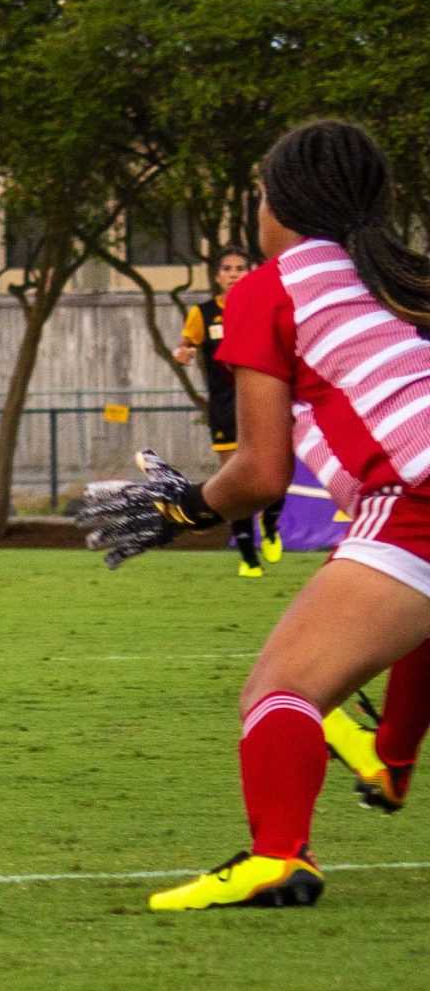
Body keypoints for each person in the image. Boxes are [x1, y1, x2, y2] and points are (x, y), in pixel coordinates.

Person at [76, 120, 430, 911]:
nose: (257, 212)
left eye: (261, 195)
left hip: (415, 503)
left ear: (284, 205)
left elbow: (262, 472)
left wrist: (181, 507)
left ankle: (278, 855)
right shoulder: (401, 278)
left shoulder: (268, 290)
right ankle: (390, 756)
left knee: (281, 688)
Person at [175, 247, 282, 576]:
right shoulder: (203, 313)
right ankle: (249, 558)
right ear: (218, 275)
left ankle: (271, 522)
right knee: (236, 482)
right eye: (227, 268)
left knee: (277, 475)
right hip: (225, 410)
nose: (234, 273)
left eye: (240, 268)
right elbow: (186, 344)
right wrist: (183, 352)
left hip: (267, 403)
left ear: (251, 273)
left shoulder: (265, 308)